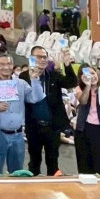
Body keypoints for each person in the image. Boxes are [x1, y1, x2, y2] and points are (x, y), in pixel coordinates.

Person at [21, 44, 77, 176]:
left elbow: (71, 82)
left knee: (53, 162)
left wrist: (67, 64)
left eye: (45, 57)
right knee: (34, 162)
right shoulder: (24, 76)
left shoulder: (53, 75)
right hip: (33, 126)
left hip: (52, 127)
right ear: (31, 58)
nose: (42, 60)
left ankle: (53, 187)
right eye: (39, 57)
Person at [0, 54, 45, 175]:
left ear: (12, 65)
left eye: (9, 64)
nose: (6, 67)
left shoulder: (21, 83)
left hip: (18, 135)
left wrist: (34, 79)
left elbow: (36, 98)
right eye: (2, 64)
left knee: (17, 173)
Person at [73, 63, 100, 175]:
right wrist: (88, 86)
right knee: (85, 166)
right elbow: (83, 101)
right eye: (87, 75)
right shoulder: (79, 89)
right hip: (84, 129)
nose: (91, 77)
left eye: (93, 73)